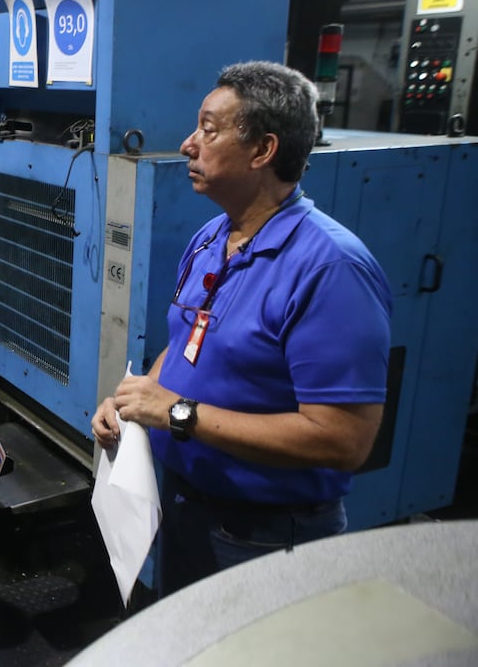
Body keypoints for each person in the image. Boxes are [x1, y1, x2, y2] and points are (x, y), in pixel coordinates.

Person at [92, 61, 392, 597]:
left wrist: (178, 414)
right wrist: (135, 397)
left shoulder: (329, 268)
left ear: (263, 150)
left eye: (208, 129)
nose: (188, 144)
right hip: (187, 509)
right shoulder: (212, 237)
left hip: (268, 537)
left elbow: (344, 439)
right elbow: (188, 343)